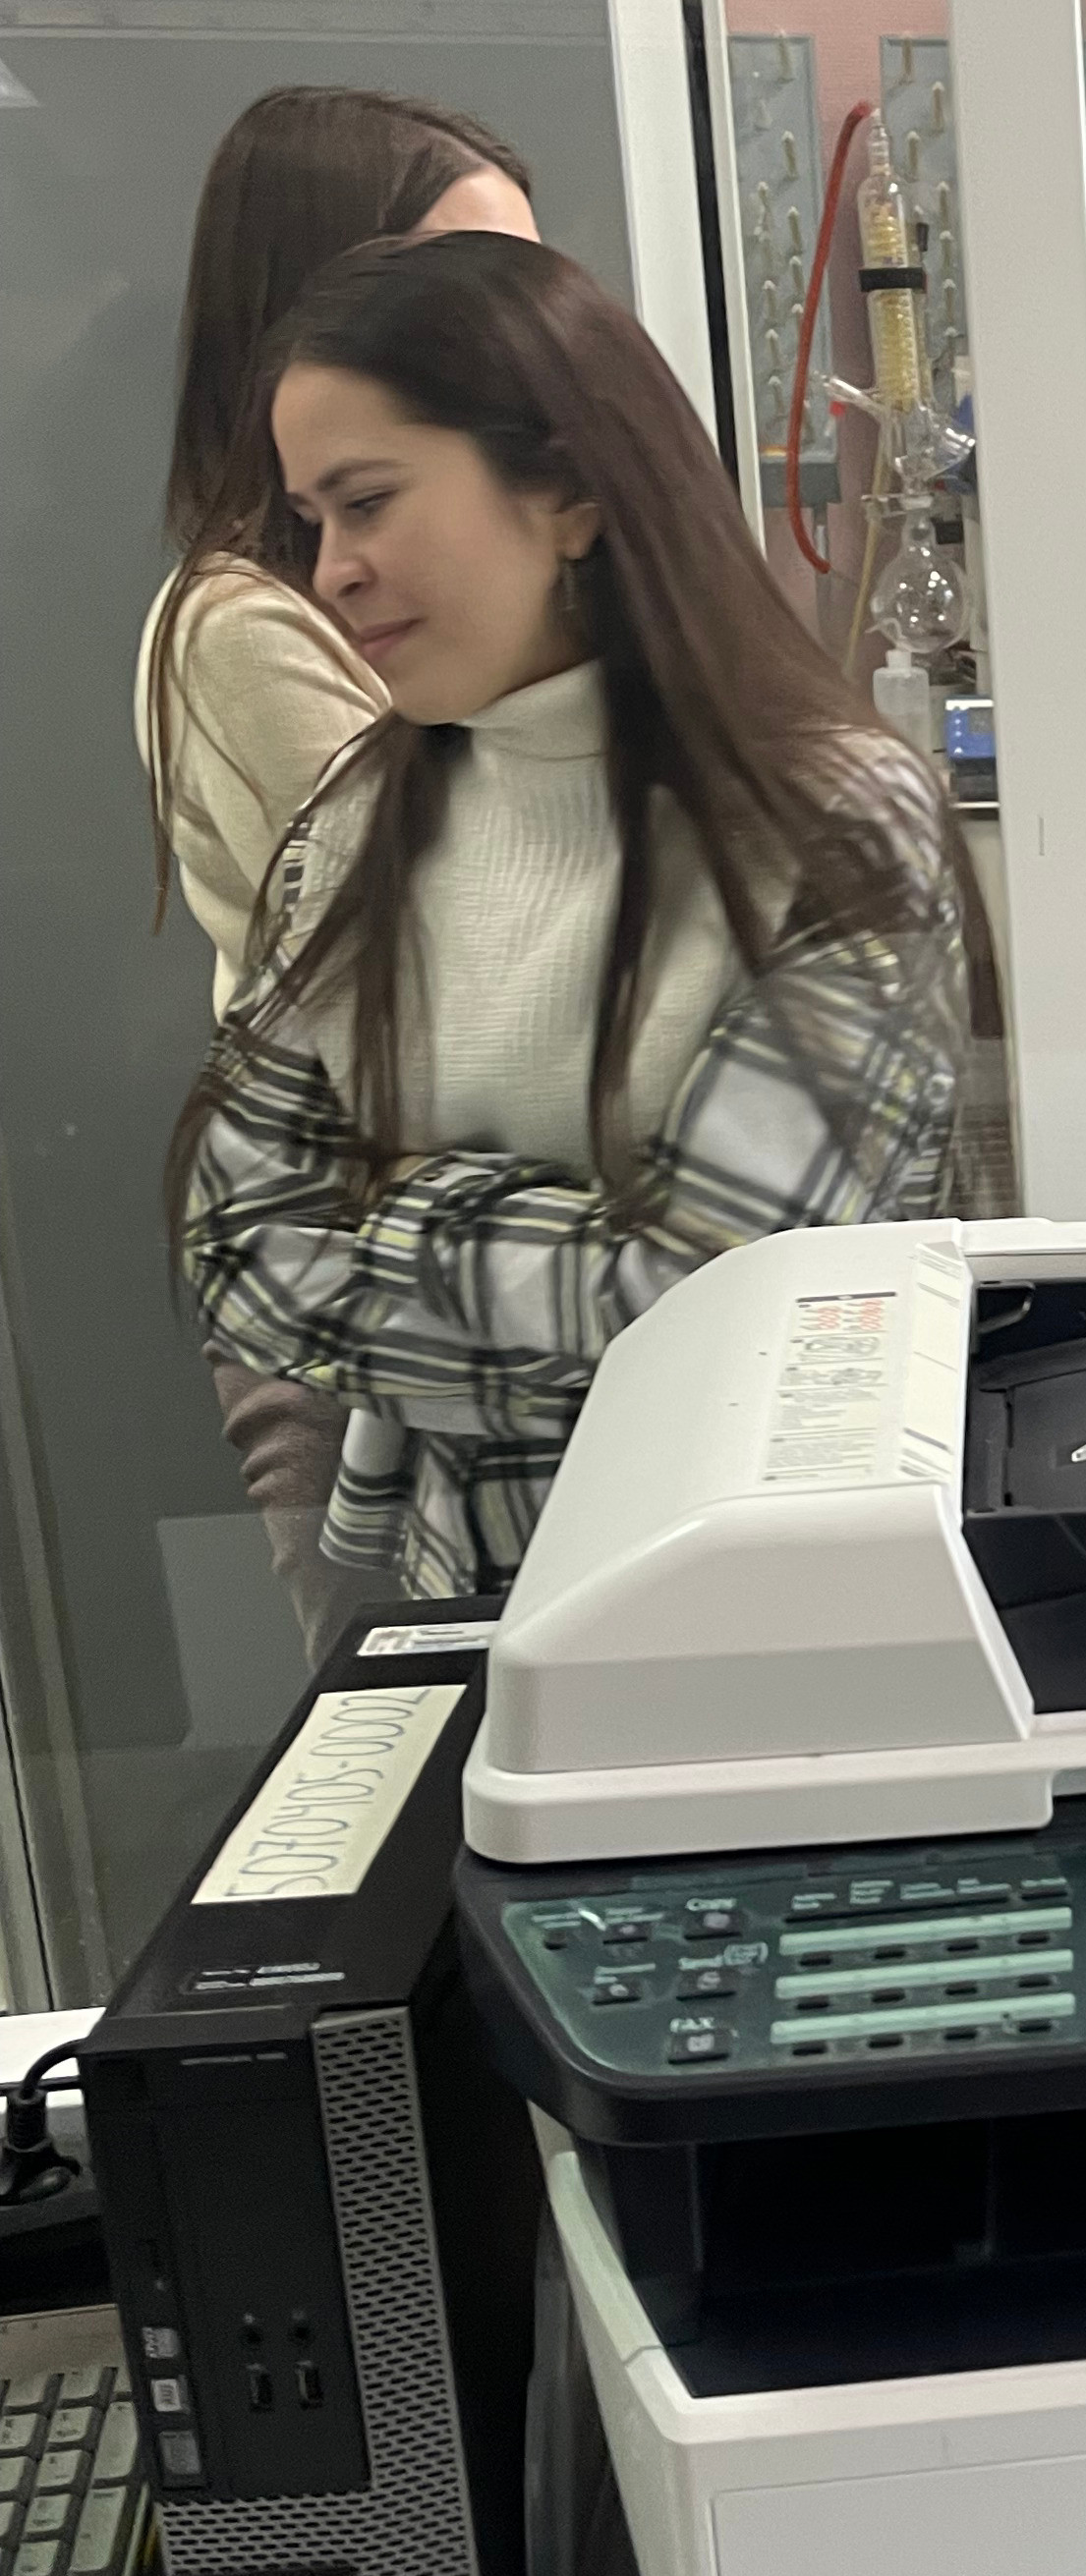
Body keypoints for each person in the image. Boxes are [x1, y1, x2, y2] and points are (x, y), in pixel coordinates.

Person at [174, 234, 996, 1602]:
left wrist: (392, 1207)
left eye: (368, 503)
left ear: (567, 488)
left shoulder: (827, 827)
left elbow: (723, 1315)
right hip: (470, 1605)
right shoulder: (364, 818)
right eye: (313, 520)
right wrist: (585, 1245)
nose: (331, 573)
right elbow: (240, 1246)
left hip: (777, 1612)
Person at [137, 86, 541, 1648]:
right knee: (415, 1729)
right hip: (363, 1290)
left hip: (482, 1256)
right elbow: (464, 944)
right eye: (466, 286)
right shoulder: (246, 624)